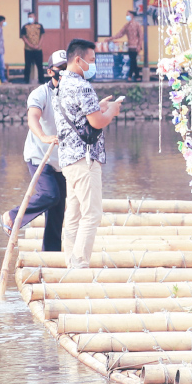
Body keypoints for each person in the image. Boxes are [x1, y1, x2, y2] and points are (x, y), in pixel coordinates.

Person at [54, 38, 124, 269]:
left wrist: (100, 106)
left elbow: (79, 116)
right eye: (91, 60)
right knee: (92, 213)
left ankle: (70, 262)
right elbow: (96, 122)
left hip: (68, 160)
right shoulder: (82, 85)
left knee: (73, 215)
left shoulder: (62, 84)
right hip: (85, 159)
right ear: (78, 59)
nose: (93, 65)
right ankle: (80, 262)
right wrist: (111, 112)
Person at [3, 51, 68, 251]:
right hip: (40, 156)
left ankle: (51, 254)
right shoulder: (40, 93)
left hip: (62, 159)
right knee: (50, 195)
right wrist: (43, 137)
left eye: (68, 69)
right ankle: (12, 216)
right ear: (50, 72)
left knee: (58, 211)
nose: (64, 74)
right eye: (60, 70)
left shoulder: (73, 93)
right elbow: (32, 118)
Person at [109, 10, 144, 82]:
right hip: (130, 46)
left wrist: (139, 46)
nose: (127, 16)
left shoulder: (137, 25)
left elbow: (141, 36)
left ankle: (131, 76)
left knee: (133, 61)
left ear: (132, 16)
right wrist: (111, 38)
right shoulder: (127, 26)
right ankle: (136, 76)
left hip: (135, 46)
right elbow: (120, 34)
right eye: (126, 15)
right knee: (132, 61)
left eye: (128, 15)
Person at [22, 12, 45, 84]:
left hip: (38, 49)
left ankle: (41, 80)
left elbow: (42, 36)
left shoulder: (39, 26)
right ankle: (26, 80)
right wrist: (30, 45)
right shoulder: (25, 26)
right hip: (28, 49)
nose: (30, 18)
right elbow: (23, 37)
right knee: (27, 65)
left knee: (39, 65)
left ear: (35, 17)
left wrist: (38, 45)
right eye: (29, 17)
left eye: (31, 17)